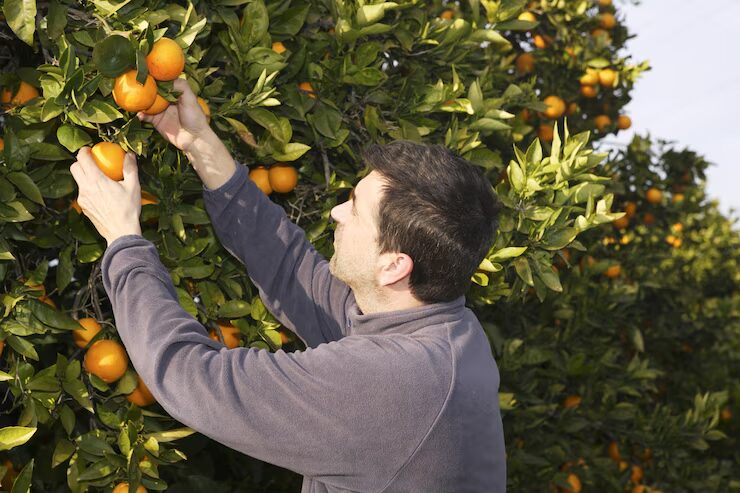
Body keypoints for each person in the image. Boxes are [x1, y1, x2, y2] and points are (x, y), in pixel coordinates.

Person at [69, 78, 507, 492]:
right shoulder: (439, 326)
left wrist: (124, 239)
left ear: (394, 266)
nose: (336, 213)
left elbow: (190, 376)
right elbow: (293, 271)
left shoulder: (390, 385)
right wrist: (199, 144)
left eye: (354, 209)